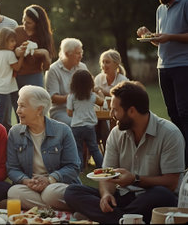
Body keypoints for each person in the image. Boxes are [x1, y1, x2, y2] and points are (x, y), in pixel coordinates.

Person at [64, 81, 185, 224]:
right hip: (122, 197)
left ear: (132, 111)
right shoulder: (116, 133)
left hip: (151, 197)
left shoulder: (169, 134)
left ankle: (109, 218)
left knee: (163, 195)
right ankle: (125, 218)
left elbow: (171, 183)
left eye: (115, 110)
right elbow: (106, 175)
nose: (111, 115)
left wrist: (135, 179)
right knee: (72, 191)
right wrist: (106, 195)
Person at [136, 0, 188, 166]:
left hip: (183, 65)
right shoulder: (160, 9)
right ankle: (179, 157)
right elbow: (160, 41)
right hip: (163, 67)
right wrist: (150, 35)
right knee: (172, 113)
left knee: (185, 113)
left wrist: (170, 37)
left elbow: (170, 37)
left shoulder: (186, 3)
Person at [7, 85, 80, 210]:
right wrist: (26, 181)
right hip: (30, 187)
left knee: (50, 193)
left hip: (56, 185)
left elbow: (73, 167)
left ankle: (45, 206)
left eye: (23, 106)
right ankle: (63, 207)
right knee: (14, 192)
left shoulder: (62, 131)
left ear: (39, 110)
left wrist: (50, 179)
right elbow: (12, 168)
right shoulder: (15, 132)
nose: (18, 110)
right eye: (18, 105)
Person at [11, 4, 56, 120]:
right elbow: (8, 53)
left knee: (37, 107)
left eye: (29, 22)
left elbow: (46, 67)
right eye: (23, 21)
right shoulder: (17, 32)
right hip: (16, 76)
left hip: (34, 76)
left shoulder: (44, 36)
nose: (25, 24)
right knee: (20, 110)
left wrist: (44, 54)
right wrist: (16, 51)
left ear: (37, 23)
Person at [67, 69, 104, 170]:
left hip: (76, 126)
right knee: (94, 148)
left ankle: (80, 168)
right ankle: (101, 166)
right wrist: (100, 93)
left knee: (78, 149)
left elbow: (69, 113)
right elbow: (102, 103)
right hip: (89, 126)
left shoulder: (71, 97)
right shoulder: (92, 96)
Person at [45, 38, 88, 126]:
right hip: (61, 111)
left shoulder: (82, 67)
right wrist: (73, 97)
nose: (80, 56)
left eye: (81, 53)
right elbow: (53, 98)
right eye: (77, 53)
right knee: (77, 124)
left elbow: (90, 89)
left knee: (101, 122)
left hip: (82, 109)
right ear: (67, 54)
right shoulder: (53, 70)